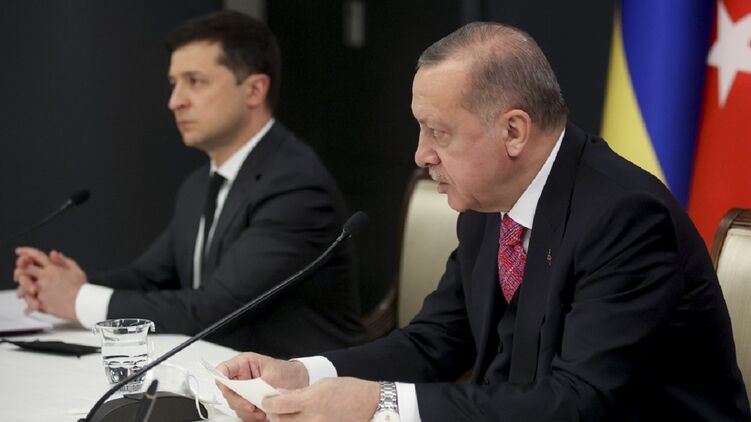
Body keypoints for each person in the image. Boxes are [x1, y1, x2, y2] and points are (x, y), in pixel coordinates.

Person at [213, 22, 751, 421]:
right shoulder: (488, 203)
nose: (421, 154)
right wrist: (302, 373)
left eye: (438, 132)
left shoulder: (625, 218)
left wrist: (379, 403)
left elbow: (579, 403)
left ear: (514, 131)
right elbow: (435, 341)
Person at [13, 10, 365, 357]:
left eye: (195, 81)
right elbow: (150, 277)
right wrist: (66, 284)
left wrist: (78, 300)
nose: (175, 101)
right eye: (174, 83)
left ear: (254, 90)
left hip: (298, 383)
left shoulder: (295, 187)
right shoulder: (200, 183)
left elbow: (215, 310)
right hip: (220, 370)